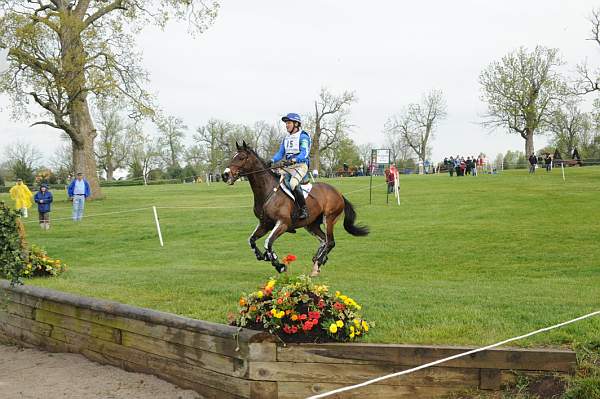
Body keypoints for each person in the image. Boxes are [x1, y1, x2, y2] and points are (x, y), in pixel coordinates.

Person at [268, 113, 311, 219]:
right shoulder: (286, 138)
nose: (286, 125)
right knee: (275, 181)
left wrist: (294, 159)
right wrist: (272, 160)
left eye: (289, 123)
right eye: (286, 123)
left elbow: (304, 153)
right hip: (289, 166)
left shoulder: (303, 136)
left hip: (300, 165)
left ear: (296, 124)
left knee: (292, 184)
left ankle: (303, 209)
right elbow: (280, 153)